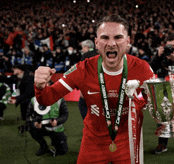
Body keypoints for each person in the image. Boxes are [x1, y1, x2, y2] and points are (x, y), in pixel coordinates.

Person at [34, 14, 154, 163]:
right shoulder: (82, 69)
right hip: (93, 143)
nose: (111, 44)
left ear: (128, 41)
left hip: (128, 142)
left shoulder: (142, 68)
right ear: (96, 43)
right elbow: (47, 99)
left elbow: (157, 105)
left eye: (118, 37)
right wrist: (40, 86)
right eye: (105, 38)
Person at [26, 80, 68, 156]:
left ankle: (56, 142)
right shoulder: (34, 100)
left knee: (63, 151)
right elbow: (28, 116)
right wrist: (34, 123)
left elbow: (65, 114)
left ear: (51, 86)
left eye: (45, 85)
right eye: (40, 86)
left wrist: (57, 121)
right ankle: (43, 146)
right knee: (32, 129)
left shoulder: (60, 99)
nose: (43, 88)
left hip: (55, 127)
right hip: (41, 127)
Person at [79, 39, 98, 120]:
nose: (82, 50)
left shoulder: (85, 55)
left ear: (87, 47)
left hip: (88, 85)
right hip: (99, 85)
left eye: (82, 48)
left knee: (82, 104)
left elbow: (83, 71)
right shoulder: (99, 54)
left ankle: (88, 124)